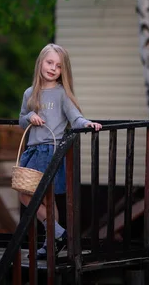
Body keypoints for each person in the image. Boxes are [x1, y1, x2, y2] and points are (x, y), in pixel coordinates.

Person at [18, 43, 102, 259]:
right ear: (40, 63)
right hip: (33, 152)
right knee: (25, 194)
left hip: (52, 151)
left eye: (58, 65)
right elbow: (21, 119)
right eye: (49, 62)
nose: (53, 68)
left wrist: (87, 123)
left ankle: (52, 243)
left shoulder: (62, 94)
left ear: (63, 70)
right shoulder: (30, 92)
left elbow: (75, 117)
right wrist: (30, 117)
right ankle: (59, 234)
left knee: (48, 200)